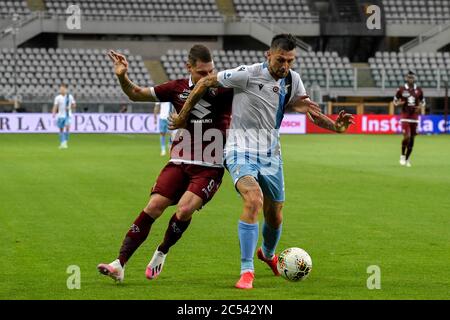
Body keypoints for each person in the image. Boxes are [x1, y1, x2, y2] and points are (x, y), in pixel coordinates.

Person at [170, 34, 354, 289]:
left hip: (271, 156)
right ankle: (247, 271)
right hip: (239, 150)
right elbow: (206, 82)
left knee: (275, 215)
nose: (285, 66)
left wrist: (336, 127)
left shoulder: (292, 80)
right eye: (281, 59)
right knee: (253, 199)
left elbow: (310, 111)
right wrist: (182, 116)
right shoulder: (247, 73)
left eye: (290, 60)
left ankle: (267, 254)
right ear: (269, 54)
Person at [97, 45, 233, 282]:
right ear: (188, 68)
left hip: (209, 165)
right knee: (153, 208)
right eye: (202, 73)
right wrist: (122, 76)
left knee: (184, 209)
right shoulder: (175, 88)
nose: (208, 77)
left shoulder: (224, 88)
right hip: (179, 161)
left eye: (211, 71)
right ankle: (119, 264)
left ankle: (162, 251)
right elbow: (136, 94)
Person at [393, 70, 425, 167]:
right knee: (406, 136)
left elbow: (423, 101)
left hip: (414, 117)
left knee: (412, 139)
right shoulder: (402, 89)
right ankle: (402, 155)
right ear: (406, 78)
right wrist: (398, 103)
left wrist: (420, 107)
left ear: (414, 78)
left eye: (412, 77)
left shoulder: (419, 90)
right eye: (409, 77)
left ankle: (407, 159)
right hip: (405, 116)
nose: (410, 79)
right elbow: (394, 101)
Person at [52, 83, 76, 149]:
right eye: (61, 89)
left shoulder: (69, 97)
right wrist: (54, 112)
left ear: (66, 89)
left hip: (68, 115)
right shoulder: (57, 97)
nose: (62, 90)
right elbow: (55, 106)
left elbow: (74, 105)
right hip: (60, 115)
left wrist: (70, 107)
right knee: (61, 129)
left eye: (63, 89)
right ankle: (62, 143)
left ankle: (65, 142)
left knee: (67, 127)